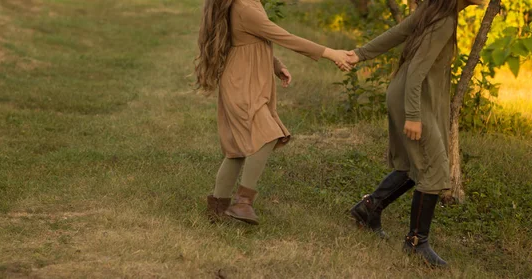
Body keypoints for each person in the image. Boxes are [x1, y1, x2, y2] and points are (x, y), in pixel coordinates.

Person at [340, 0, 485, 267]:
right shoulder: (444, 21)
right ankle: (416, 243)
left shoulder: (434, 11)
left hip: (408, 93)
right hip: (412, 97)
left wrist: (359, 54)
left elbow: (395, 33)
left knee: (413, 163)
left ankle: (368, 209)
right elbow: (417, 69)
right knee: (434, 165)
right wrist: (414, 116)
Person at [195, 0, 352, 225]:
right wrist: (330, 53)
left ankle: (216, 210)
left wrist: (276, 65)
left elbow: (255, 38)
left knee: (238, 150)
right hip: (242, 83)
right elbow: (284, 37)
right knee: (267, 134)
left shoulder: (251, 3)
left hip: (248, 80)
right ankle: (242, 202)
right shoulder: (244, 8)